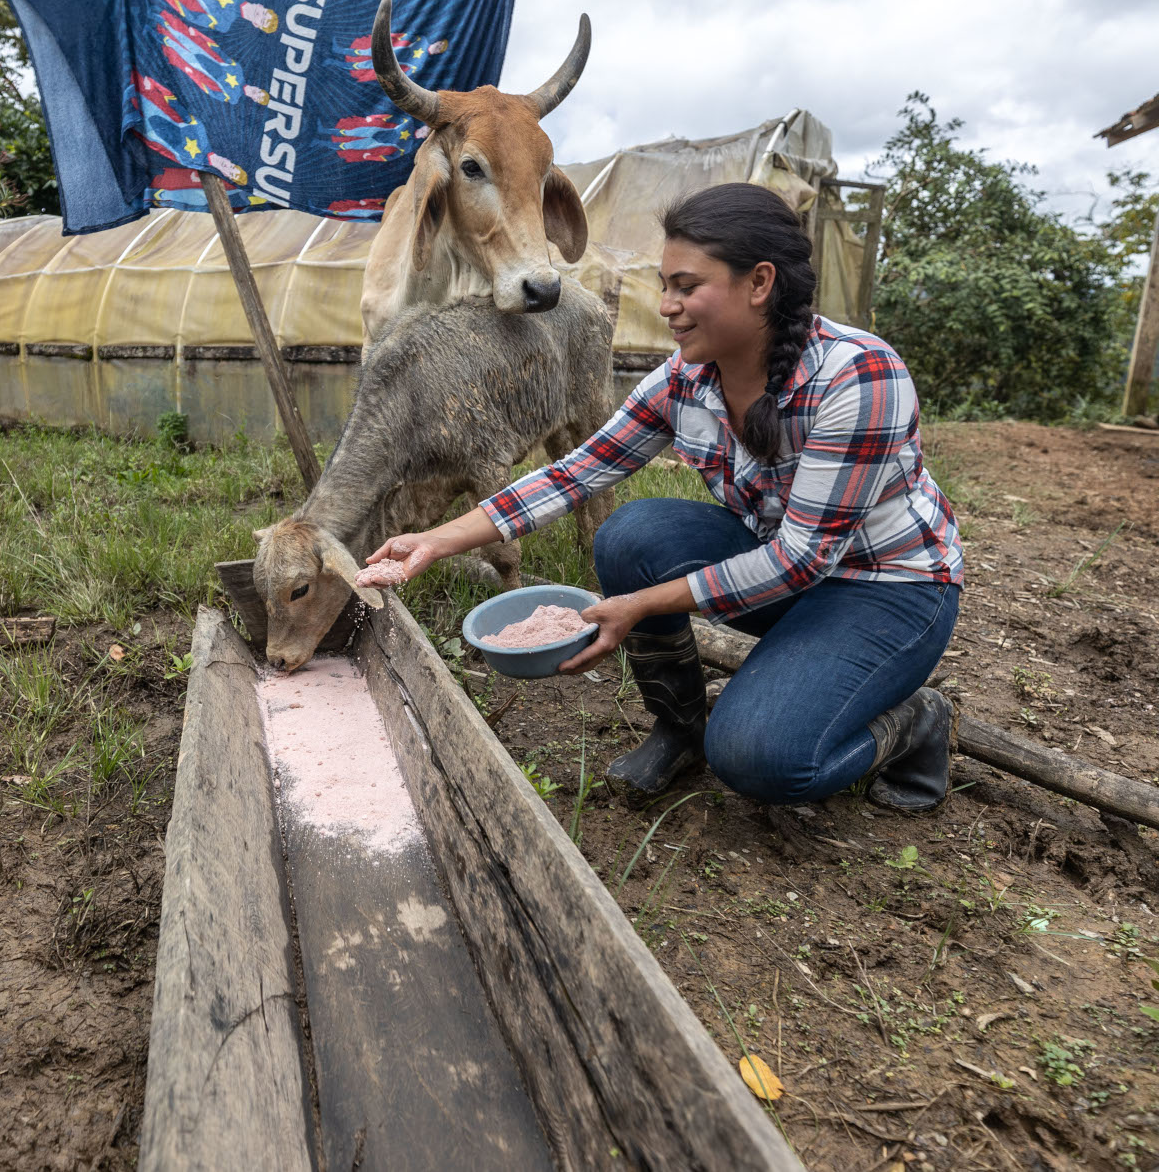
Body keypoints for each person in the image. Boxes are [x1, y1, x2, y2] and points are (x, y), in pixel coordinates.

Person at [366, 182, 964, 812]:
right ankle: (681, 729)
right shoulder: (685, 379)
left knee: (761, 758)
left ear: (759, 283)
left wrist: (638, 605)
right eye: (664, 285)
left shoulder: (858, 377)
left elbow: (800, 561)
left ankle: (915, 723)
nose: (666, 306)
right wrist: (435, 540)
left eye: (685, 286)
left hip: (888, 591)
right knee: (632, 535)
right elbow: (574, 475)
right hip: (786, 577)